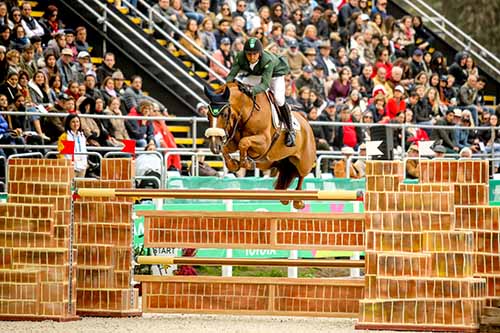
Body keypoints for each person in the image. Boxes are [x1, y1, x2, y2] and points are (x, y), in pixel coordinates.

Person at [226, 37, 295, 147]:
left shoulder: (267, 60)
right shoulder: (240, 57)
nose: (252, 57)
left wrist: (252, 90)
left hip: (274, 75)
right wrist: (227, 89)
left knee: (278, 98)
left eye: (255, 54)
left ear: (260, 53)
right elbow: (231, 75)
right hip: (256, 74)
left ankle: (291, 129)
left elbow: (265, 85)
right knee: (240, 87)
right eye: (249, 54)